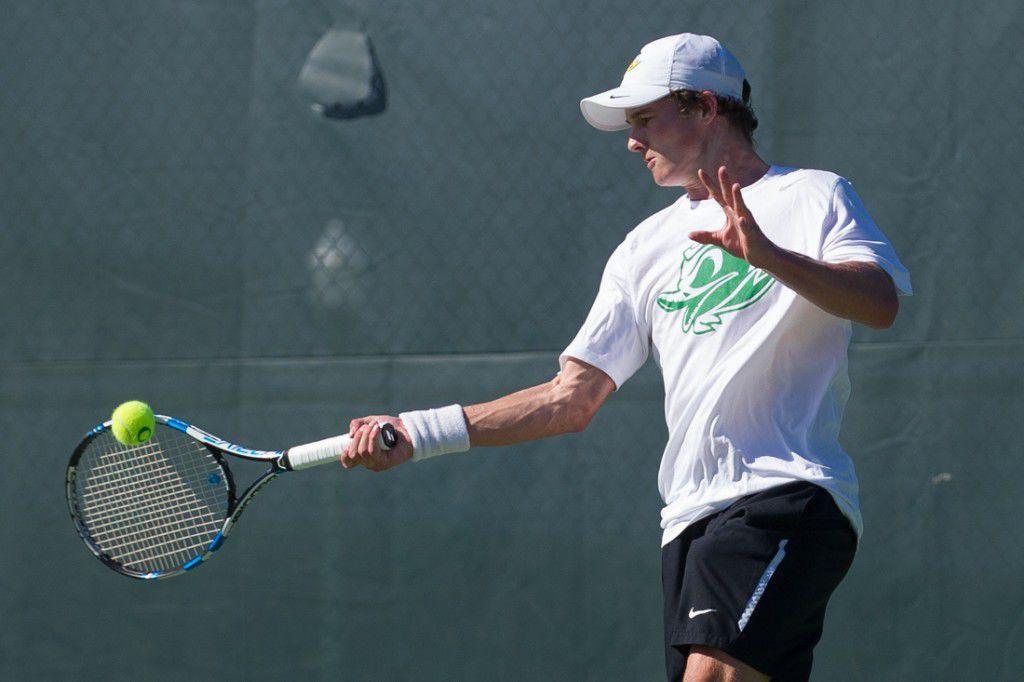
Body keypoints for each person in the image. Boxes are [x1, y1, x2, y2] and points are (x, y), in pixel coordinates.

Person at [341, 33, 912, 682]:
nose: (632, 141)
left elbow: (879, 303)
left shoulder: (814, 196)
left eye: (644, 118)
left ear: (703, 106)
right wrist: (420, 432)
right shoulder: (643, 247)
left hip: (784, 494)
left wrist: (772, 257)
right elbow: (570, 399)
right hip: (690, 524)